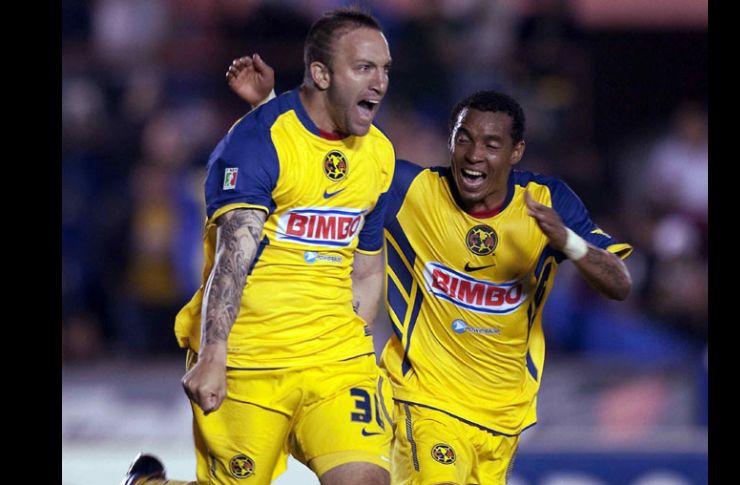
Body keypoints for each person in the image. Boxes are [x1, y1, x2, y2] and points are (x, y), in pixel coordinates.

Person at [227, 58, 633, 485]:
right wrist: (267, 104)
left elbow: (619, 283)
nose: (474, 155)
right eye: (464, 139)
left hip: (503, 417)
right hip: (423, 404)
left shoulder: (548, 201)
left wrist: (566, 240)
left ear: (516, 153)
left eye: (492, 145)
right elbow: (323, 157)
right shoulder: (411, 192)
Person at [122, 8, 395, 485]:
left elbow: (368, 269)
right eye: (364, 68)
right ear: (321, 73)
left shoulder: (378, 153)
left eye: (385, 69)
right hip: (252, 361)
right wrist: (213, 355)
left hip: (334, 362)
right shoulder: (253, 144)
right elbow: (233, 257)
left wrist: (357, 349)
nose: (379, 83)